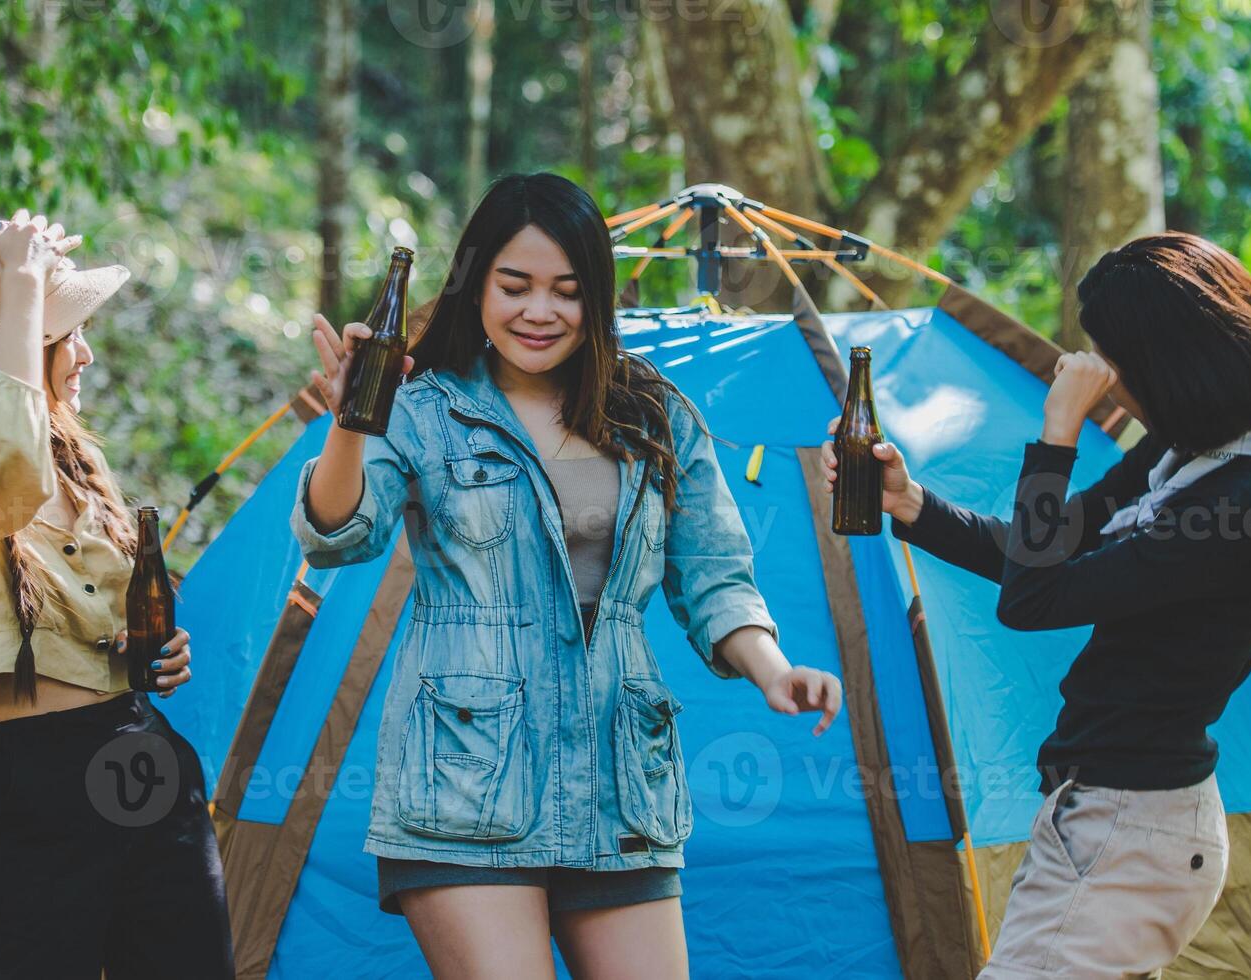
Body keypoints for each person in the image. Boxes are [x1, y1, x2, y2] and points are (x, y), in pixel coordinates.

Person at [294, 173, 841, 979]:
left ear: (598, 299)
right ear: (476, 285)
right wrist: (351, 423)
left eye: (567, 291)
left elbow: (714, 571)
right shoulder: (422, 406)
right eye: (514, 287)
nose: (538, 312)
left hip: (620, 784)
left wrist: (772, 667)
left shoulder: (651, 412)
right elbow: (339, 535)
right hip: (466, 783)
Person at [823, 232, 1251, 978]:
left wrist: (1058, 432)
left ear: (1166, 365)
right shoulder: (1187, 457)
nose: (1106, 380)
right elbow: (1043, 551)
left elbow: (1031, 597)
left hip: (1132, 833)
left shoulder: (1240, 506)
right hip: (1104, 819)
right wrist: (909, 503)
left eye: (1114, 362)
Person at [0, 211, 230, 978]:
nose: (87, 354)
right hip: (38, 785)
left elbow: (110, 622)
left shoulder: (79, 472)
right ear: (19, 341)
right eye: (67, 334)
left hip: (143, 761)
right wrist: (24, 280)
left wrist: (154, 653)